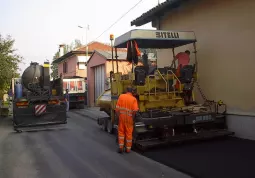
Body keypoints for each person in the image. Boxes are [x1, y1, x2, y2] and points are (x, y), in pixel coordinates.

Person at [115, 86, 139, 153]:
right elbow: (135, 111)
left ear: (126, 90)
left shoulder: (121, 96)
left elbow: (117, 109)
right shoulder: (134, 99)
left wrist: (118, 117)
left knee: (121, 133)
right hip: (129, 118)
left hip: (121, 117)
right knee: (129, 134)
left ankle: (121, 147)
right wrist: (132, 118)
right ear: (132, 91)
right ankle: (128, 149)